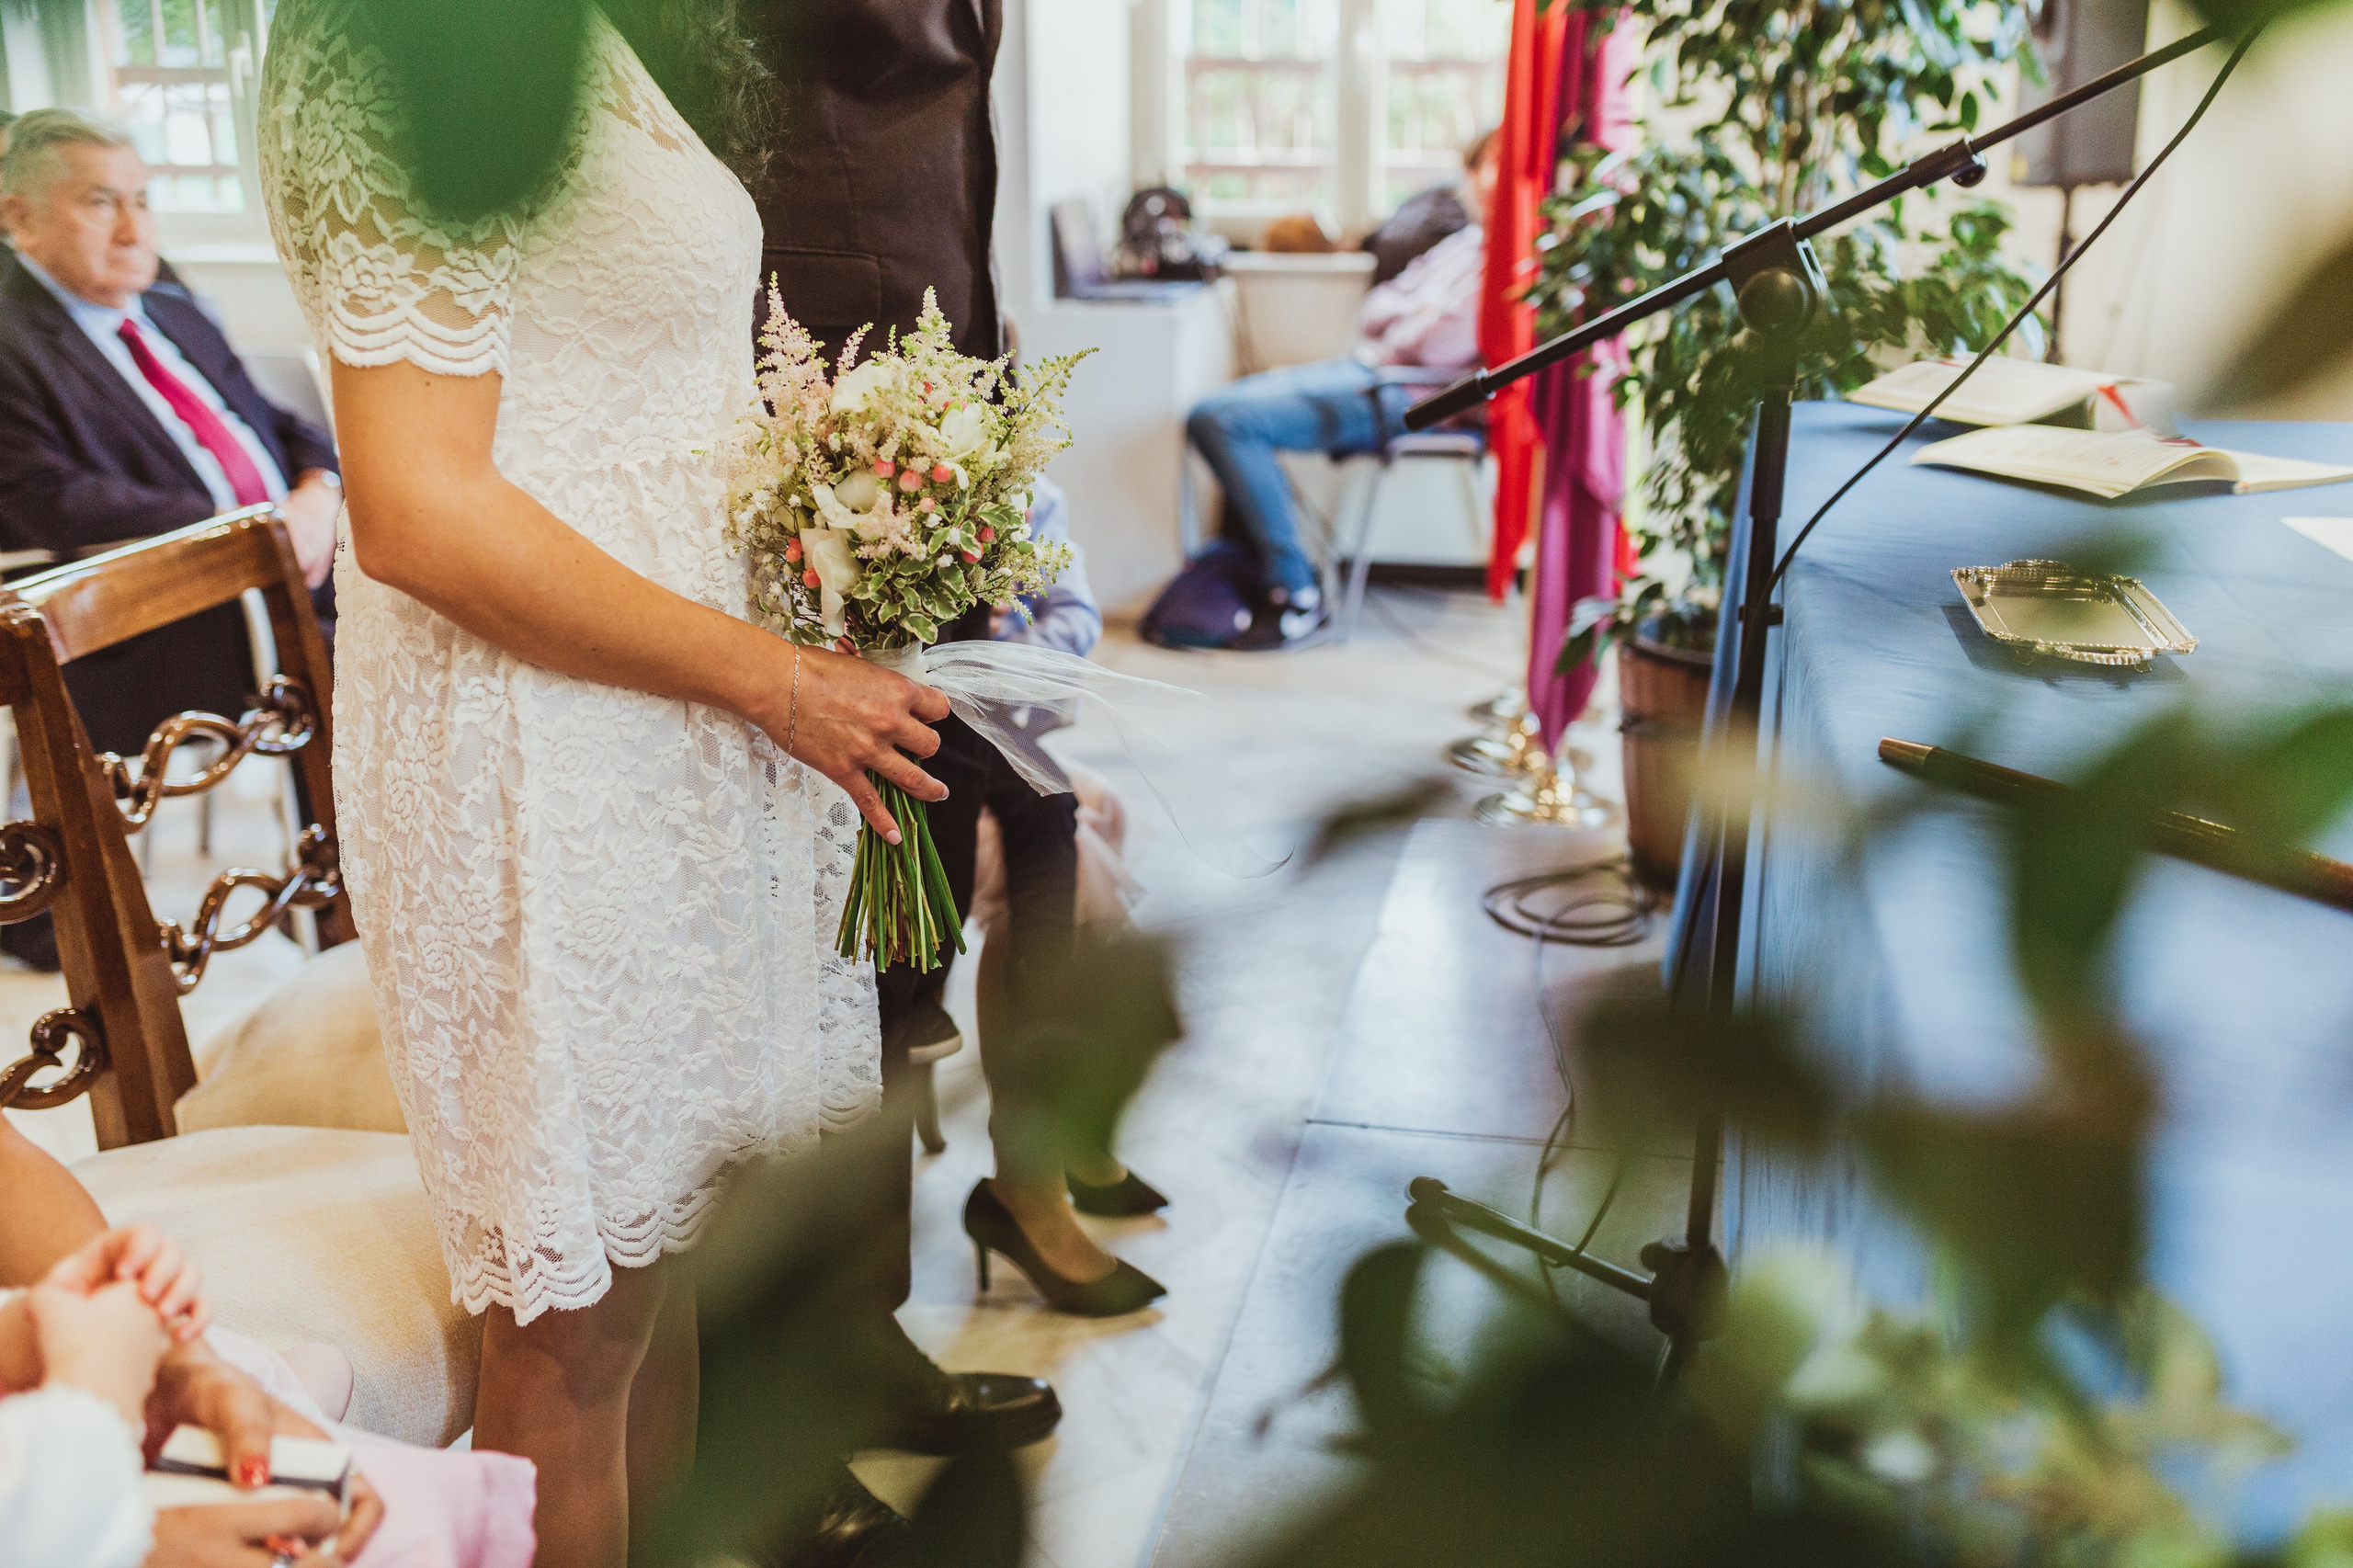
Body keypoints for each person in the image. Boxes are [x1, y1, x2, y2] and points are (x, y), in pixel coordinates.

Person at [256, 5, 955, 1563]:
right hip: (540, 747)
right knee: (571, 1335)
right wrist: (778, 678)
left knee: (668, 1265)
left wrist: (827, 501)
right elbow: (419, 507)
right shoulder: (384, 50)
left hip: (680, 727)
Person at [744, 0, 1067, 1477]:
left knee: (1028, 803)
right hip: (812, 429)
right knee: (859, 923)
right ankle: (817, 1347)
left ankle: (1003, 1197)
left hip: (937, 425)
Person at [0, 109, 345, 973]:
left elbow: (283, 423)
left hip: (292, 562)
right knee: (379, 642)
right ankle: (355, 905)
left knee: (429, 585)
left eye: (144, 200)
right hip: (158, 617)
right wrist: (255, 535)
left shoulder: (170, 302)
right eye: (100, 202)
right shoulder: (10, 341)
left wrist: (318, 492)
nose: (133, 227)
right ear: (19, 219)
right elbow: (54, 501)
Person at [925, 477, 1167, 1316]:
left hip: (998, 737)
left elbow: (1074, 622)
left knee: (1094, 810)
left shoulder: (1022, 487)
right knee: (1077, 840)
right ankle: (1035, 1171)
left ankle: (1048, 1154)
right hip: (916, 752)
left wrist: (996, 641)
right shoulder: (863, 482)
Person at [1181, 128, 1498, 647]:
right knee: (1219, 406)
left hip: (1409, 396)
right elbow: (1375, 307)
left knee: (1222, 420)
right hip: (1369, 369)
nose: (1476, 179)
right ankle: (1276, 569)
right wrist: (1419, 317)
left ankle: (1296, 593)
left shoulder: (1507, 257)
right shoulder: (1464, 244)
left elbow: (1441, 347)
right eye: (1481, 164)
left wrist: (1415, 321)